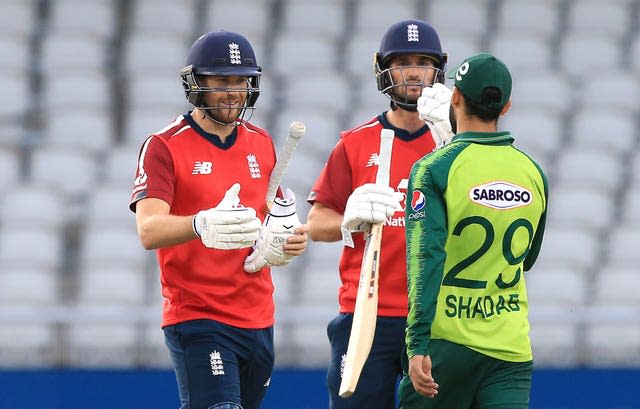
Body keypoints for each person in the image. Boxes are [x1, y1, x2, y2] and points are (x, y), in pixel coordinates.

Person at [130, 30, 309, 409]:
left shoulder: (260, 141)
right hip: (198, 314)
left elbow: (273, 220)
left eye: (241, 81)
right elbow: (148, 230)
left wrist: (287, 241)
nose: (233, 91)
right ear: (196, 84)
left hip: (258, 314)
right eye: (221, 81)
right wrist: (200, 223)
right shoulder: (164, 145)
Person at [306, 20, 449, 408]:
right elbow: (317, 224)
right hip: (366, 313)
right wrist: (349, 220)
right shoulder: (355, 143)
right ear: (384, 70)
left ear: (440, 71)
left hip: (436, 317)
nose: (415, 71)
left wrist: (451, 142)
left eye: (424, 62)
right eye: (403, 62)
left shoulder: (452, 145)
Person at [399, 52, 549, 408]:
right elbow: (528, 259)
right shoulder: (533, 172)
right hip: (510, 348)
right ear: (507, 106)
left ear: (455, 97)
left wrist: (417, 343)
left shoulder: (433, 169)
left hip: (445, 345)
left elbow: (425, 258)